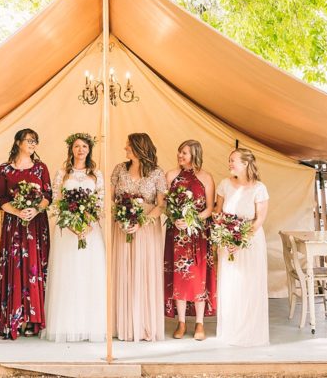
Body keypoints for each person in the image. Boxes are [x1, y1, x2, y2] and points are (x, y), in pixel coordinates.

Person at [42, 132, 106, 342]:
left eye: (84, 147)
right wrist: (70, 224)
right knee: (67, 275)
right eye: (77, 146)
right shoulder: (62, 174)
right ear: (71, 149)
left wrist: (88, 224)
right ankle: (66, 325)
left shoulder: (96, 174)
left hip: (90, 230)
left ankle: (89, 325)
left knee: (88, 275)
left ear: (89, 150)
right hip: (66, 232)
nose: (81, 150)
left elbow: (100, 201)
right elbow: (56, 201)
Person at [0, 128, 51, 339]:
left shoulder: (41, 168)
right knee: (15, 269)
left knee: (34, 269)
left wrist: (35, 209)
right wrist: (18, 211)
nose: (33, 143)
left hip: (36, 226)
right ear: (18, 142)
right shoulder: (3, 169)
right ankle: (14, 318)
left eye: (35, 140)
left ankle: (32, 320)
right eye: (29, 140)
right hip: (13, 226)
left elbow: (48, 195)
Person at [111, 132, 166, 342]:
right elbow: (110, 198)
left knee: (144, 273)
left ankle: (144, 324)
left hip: (147, 228)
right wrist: (122, 218)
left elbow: (161, 205)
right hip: (122, 226)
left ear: (138, 147)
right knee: (124, 271)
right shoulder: (119, 169)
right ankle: (124, 325)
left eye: (128, 146)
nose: (125, 149)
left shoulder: (157, 173)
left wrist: (141, 222)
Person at [214, 148, 270, 347]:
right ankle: (231, 329)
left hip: (250, 242)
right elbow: (218, 213)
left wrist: (240, 239)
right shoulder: (224, 185)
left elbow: (260, 219)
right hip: (227, 243)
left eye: (233, 161)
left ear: (246, 164)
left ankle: (250, 332)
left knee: (249, 284)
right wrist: (225, 236)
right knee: (231, 284)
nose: (229, 164)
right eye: (229, 160)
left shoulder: (259, 188)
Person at [164, 139, 216, 341]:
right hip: (176, 235)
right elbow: (166, 205)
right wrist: (174, 218)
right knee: (178, 279)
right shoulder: (170, 175)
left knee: (198, 279)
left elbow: (210, 208)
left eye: (184, 153)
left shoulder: (206, 177)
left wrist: (191, 220)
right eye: (179, 152)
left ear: (195, 154)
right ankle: (182, 322)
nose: (180, 156)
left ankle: (200, 323)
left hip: (198, 236)